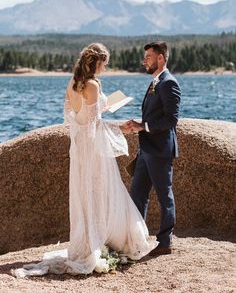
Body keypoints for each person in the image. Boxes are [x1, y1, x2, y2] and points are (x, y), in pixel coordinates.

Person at [13, 42, 157, 278]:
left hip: (80, 150)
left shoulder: (72, 84)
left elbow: (75, 120)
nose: (105, 68)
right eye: (104, 63)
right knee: (104, 191)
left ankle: (93, 238)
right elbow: (94, 124)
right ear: (96, 62)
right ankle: (103, 240)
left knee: (87, 194)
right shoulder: (91, 84)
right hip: (93, 151)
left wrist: (104, 104)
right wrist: (120, 126)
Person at [128, 40, 181, 256]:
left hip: (160, 150)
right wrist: (139, 129)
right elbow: (153, 114)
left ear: (160, 58)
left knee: (164, 195)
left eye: (148, 57)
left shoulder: (169, 83)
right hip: (146, 149)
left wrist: (143, 126)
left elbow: (171, 120)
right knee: (137, 194)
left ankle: (165, 242)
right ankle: (137, 239)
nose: (144, 61)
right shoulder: (155, 82)